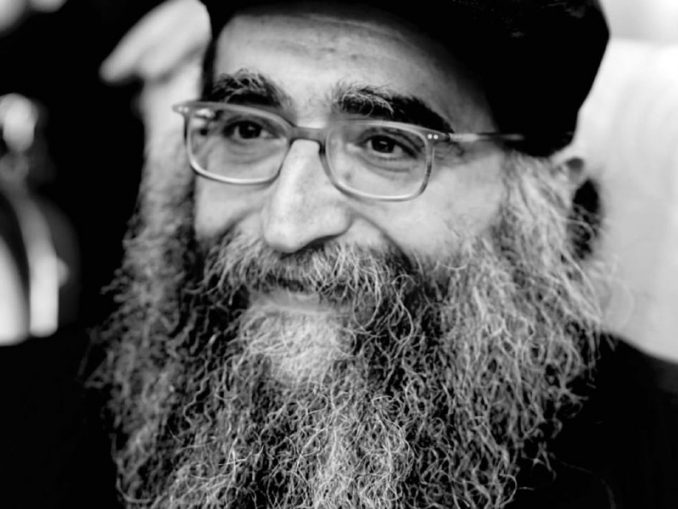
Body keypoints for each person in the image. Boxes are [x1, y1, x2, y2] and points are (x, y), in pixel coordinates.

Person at [2, 0, 677, 508]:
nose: (286, 224)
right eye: (247, 129)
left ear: (547, 203)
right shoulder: (20, 418)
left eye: (387, 145)